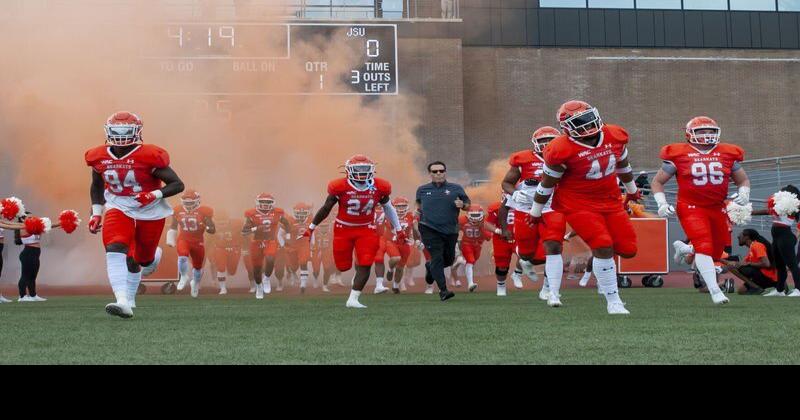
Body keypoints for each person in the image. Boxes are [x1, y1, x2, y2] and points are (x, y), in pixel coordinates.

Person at [531, 100, 641, 314]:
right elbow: (546, 185)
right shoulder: (560, 149)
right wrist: (535, 212)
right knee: (603, 245)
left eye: (588, 116)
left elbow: (623, 165)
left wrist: (632, 189)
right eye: (579, 121)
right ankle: (614, 301)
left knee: (628, 250)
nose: (587, 123)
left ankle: (602, 266)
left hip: (609, 200)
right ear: (566, 128)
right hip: (578, 203)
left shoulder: (615, 135)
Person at [86, 111, 184, 318]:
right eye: (116, 131)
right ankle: (123, 301)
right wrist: (96, 212)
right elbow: (96, 187)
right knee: (115, 246)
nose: (120, 136)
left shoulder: (149, 155)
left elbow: (177, 184)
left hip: (150, 211)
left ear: (137, 132)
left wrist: (154, 195)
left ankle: (151, 259)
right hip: (118, 205)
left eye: (126, 131)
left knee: (141, 260)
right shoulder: (98, 156)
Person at [651, 116, 750, 305]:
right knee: (704, 246)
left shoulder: (728, 152)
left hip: (717, 206)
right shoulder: (678, 153)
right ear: (690, 134)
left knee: (716, 252)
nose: (708, 135)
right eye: (702, 131)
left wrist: (744, 192)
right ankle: (715, 291)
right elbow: (657, 181)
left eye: (711, 131)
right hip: (691, 206)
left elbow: (742, 179)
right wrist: (661, 203)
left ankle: (686, 248)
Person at [304, 155, 402, 309]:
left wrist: (399, 228)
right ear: (348, 170)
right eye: (358, 169)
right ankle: (354, 271)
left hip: (366, 229)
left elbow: (388, 208)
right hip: (344, 229)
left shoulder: (379, 186)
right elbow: (326, 208)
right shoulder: (339, 186)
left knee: (366, 262)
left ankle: (353, 298)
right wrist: (311, 227)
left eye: (365, 169)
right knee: (343, 266)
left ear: (372, 170)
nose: (362, 172)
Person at [416, 161, 470, 301]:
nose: (438, 173)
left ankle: (430, 267)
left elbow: (468, 204)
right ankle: (443, 290)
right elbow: (418, 205)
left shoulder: (456, 188)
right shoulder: (422, 189)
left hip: (450, 230)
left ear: (445, 172)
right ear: (430, 174)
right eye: (435, 171)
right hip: (429, 228)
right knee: (437, 257)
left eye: (441, 171)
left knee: (448, 260)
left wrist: (462, 204)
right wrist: (417, 213)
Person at [751, 185, 800, 296]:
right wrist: (752, 212)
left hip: (785, 237)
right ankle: (780, 290)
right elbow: (768, 211)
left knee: (792, 264)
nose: (780, 193)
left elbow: (791, 210)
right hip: (777, 237)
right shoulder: (780, 205)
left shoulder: (794, 205)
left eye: (783, 192)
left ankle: (798, 289)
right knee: (779, 265)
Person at [242, 193, 293, 299]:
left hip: (270, 241)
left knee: (270, 259)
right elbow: (244, 231)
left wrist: (288, 237)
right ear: (258, 202)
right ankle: (259, 287)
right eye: (263, 202)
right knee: (256, 268)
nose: (265, 204)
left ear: (272, 203)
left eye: (268, 202)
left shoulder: (277, 213)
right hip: (256, 242)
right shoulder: (251, 214)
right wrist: (256, 228)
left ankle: (266, 278)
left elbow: (287, 224)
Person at [167, 189, 215, 298]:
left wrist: (206, 226)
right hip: (183, 239)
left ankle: (195, 283)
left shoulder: (204, 211)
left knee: (197, 268)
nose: (188, 205)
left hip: (198, 242)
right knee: (182, 256)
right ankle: (184, 276)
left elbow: (212, 230)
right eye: (186, 203)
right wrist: (170, 238)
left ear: (197, 202)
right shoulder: (178, 210)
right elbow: (173, 226)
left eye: (190, 203)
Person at [721, 230, 777, 295]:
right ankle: (756, 287)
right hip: (761, 276)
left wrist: (749, 264)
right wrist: (720, 260)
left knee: (731, 267)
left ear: (746, 237)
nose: (738, 237)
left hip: (767, 276)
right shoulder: (751, 248)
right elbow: (739, 264)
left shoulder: (757, 245)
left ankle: (756, 287)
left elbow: (766, 264)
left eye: (740, 236)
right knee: (741, 291)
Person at [457, 204, 493, 292]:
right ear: (468, 214)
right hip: (466, 243)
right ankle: (470, 284)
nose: (475, 218)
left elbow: (488, 238)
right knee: (470, 261)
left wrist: (481, 227)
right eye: (473, 215)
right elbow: (454, 229)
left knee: (472, 262)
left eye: (477, 215)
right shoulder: (462, 220)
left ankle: (461, 260)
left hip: (478, 246)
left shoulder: (485, 222)